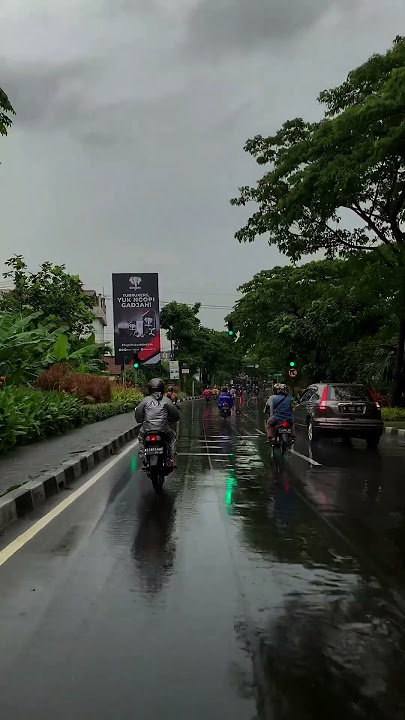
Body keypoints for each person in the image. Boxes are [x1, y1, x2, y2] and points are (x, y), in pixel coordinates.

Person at [135, 378, 180, 467]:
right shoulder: (166, 400)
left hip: (147, 428)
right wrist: (172, 420)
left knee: (141, 437)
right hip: (163, 428)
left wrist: (140, 420)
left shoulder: (145, 400)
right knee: (173, 437)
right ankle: (172, 458)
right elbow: (175, 415)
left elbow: (138, 413)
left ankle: (143, 454)